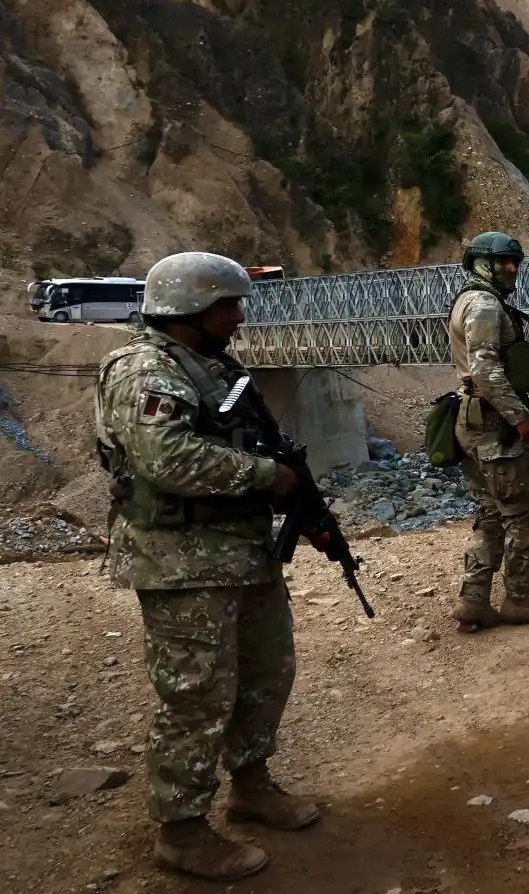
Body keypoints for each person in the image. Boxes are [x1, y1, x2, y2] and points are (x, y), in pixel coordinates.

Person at [94, 252, 318, 881]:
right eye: (229, 305)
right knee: (195, 696)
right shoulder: (145, 369)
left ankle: (251, 785)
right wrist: (263, 475)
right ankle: (182, 830)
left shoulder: (211, 364)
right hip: (181, 561)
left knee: (265, 670)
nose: (239, 317)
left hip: (238, 550)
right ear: (192, 310)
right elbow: (165, 458)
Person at [447, 232, 529, 631]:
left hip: (478, 422)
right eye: (504, 262)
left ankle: (474, 600)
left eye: (515, 261)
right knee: (528, 514)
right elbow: (485, 370)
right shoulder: (482, 304)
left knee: (491, 514)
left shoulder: (477, 300)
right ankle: (520, 599)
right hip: (495, 426)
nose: (512, 269)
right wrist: (521, 418)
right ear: (483, 263)